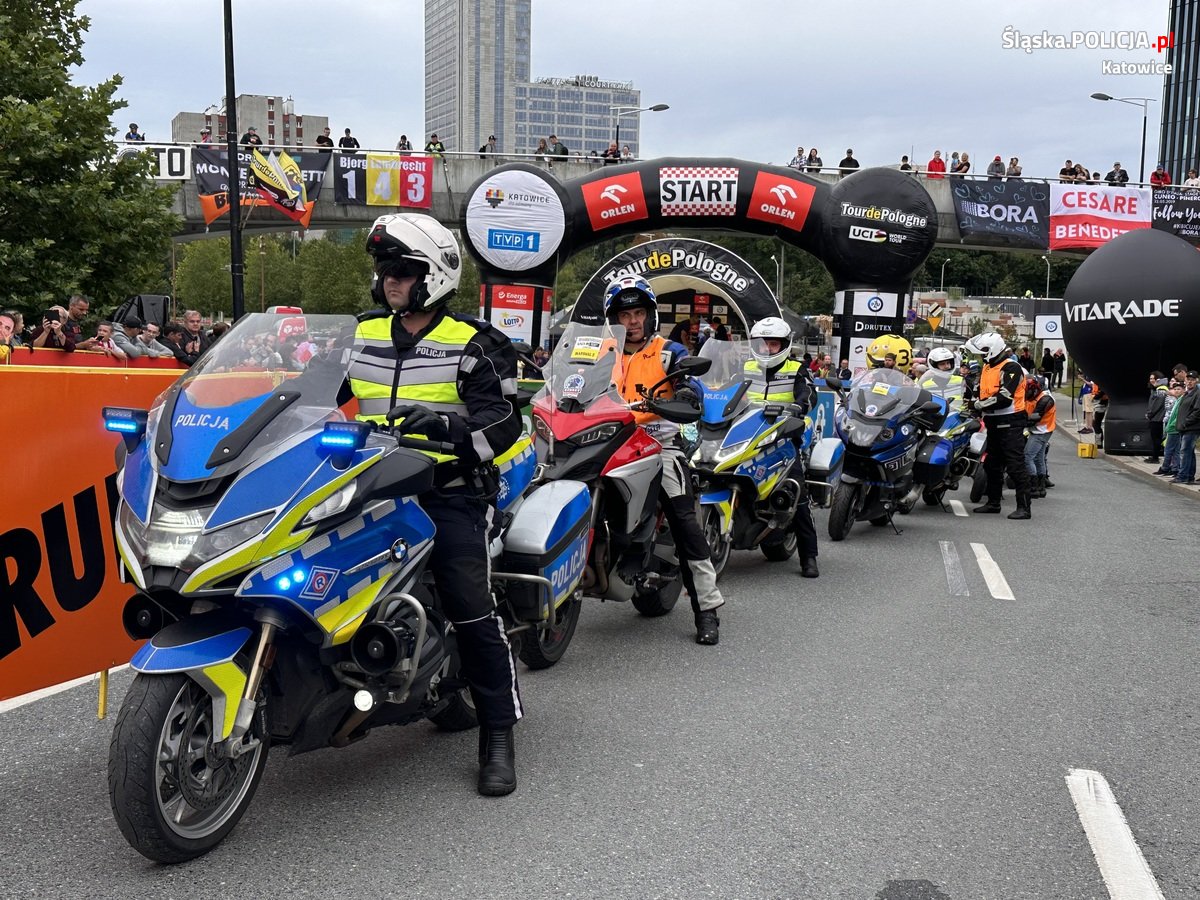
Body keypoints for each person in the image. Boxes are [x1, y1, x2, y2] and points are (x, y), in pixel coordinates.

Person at [353, 213, 524, 794]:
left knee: (470, 605)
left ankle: (498, 734)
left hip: (448, 493)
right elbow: (308, 395)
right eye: (384, 270)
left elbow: (503, 424)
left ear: (435, 276)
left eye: (401, 270)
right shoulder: (363, 335)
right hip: (365, 487)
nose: (389, 281)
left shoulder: (474, 343)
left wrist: (447, 427)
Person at [605, 277, 725, 645]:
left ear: (651, 315)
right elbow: (567, 380)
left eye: (639, 313)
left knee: (683, 517)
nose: (633, 321)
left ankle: (706, 608)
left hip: (657, 444)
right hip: (605, 442)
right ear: (613, 319)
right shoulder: (600, 350)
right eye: (625, 314)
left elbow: (690, 385)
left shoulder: (668, 350)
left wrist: (686, 393)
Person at [745, 317, 820, 578]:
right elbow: (726, 392)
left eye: (773, 344)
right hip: (747, 437)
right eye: (762, 344)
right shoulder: (745, 368)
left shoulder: (796, 369)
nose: (767, 349)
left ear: (785, 345)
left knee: (796, 492)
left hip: (783, 438)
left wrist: (799, 406)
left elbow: (809, 394)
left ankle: (809, 556)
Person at [965, 331, 1032, 519]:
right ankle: (993, 503)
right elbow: (980, 391)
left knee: (1015, 465)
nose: (980, 357)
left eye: (982, 353)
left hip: (1011, 421)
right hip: (993, 421)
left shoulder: (1011, 367)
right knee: (991, 464)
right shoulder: (987, 367)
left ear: (991, 350)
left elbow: (1004, 398)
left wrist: (977, 405)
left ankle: (1024, 508)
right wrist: (973, 405)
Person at [1023, 374, 1056, 499]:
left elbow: (1034, 418)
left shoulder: (1045, 400)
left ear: (1035, 388)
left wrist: (1017, 423)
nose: (1026, 394)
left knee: (1027, 456)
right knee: (1038, 458)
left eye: (1028, 391)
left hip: (1041, 431)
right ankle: (1041, 488)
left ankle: (1033, 487)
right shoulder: (1031, 397)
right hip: (1037, 430)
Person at [1171, 370, 1200, 484]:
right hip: (1185, 427)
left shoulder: (1197, 393)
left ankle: (1182, 476)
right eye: (1188, 380)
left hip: (1191, 427)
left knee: (1184, 451)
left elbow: (1198, 411)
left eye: (1192, 380)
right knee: (1189, 452)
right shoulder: (1188, 392)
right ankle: (1189, 476)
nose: (1189, 382)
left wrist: (1186, 422)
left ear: (1196, 380)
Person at [917, 347, 966, 411]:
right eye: (942, 364)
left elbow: (968, 400)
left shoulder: (960, 380)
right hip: (936, 418)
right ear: (934, 365)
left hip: (957, 418)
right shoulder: (925, 384)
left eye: (948, 363)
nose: (947, 366)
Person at [1155, 381, 1187, 476]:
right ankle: (1175, 468)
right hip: (1173, 427)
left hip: (1174, 429)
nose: (1176, 391)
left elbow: (1178, 416)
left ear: (1183, 391)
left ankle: (1165, 467)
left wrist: (1171, 425)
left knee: (1169, 449)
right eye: (1175, 389)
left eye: (1179, 389)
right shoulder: (1177, 400)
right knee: (1175, 450)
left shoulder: (1181, 400)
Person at [1144, 371, 1169, 465]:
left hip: (1157, 418)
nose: (1151, 380)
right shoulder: (1158, 389)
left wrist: (1149, 414)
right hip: (1156, 418)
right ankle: (1154, 456)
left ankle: (1155, 457)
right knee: (1155, 439)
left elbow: (1157, 405)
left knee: (1156, 439)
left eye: (1153, 379)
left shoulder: (1161, 390)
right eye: (1150, 379)